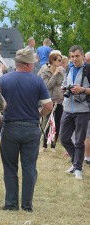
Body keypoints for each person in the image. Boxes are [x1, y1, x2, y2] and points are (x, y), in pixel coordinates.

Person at [0, 48, 53, 212]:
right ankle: (27, 205)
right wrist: (38, 115)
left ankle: (11, 204)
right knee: (29, 168)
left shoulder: (4, 79)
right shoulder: (37, 81)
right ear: (29, 65)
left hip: (10, 127)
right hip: (31, 127)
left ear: (17, 63)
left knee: (10, 167)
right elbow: (48, 106)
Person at [60, 45, 90, 180]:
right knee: (64, 138)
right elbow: (65, 83)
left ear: (82, 55)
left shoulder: (88, 69)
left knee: (79, 141)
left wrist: (82, 90)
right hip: (67, 108)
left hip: (83, 110)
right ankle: (75, 162)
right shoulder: (68, 68)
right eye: (72, 56)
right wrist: (63, 88)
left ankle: (78, 168)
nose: (74, 59)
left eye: (77, 56)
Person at [38, 52, 64, 152]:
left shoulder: (62, 70)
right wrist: (55, 74)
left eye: (61, 60)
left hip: (59, 100)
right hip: (48, 100)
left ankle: (53, 145)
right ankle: (44, 145)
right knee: (46, 123)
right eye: (59, 60)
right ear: (52, 61)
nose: (60, 62)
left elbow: (62, 83)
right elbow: (47, 86)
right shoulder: (45, 71)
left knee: (57, 123)